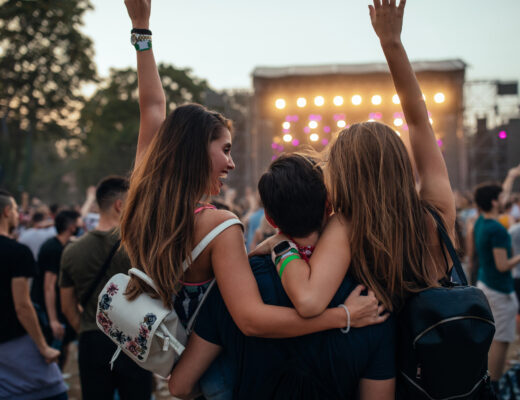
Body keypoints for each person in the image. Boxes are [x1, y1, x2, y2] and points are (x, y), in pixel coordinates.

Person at [169, 153, 395, 399]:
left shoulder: (234, 290)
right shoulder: (368, 300)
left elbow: (181, 385)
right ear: (329, 207)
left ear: (269, 218)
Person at [59, 176, 153, 400]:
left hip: (92, 339)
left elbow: (67, 305)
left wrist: (87, 326)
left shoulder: (72, 251)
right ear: (120, 205)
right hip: (133, 339)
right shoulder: (139, 246)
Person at [0, 189, 68, 400]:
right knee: (54, 392)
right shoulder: (16, 252)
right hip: (16, 341)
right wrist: (43, 347)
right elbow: (22, 305)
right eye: (15, 211)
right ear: (7, 211)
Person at [473, 183, 520, 389]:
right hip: (499, 290)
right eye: (500, 197)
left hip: (486, 283)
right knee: (500, 341)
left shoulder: (480, 222)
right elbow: (503, 265)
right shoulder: (498, 229)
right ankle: (494, 388)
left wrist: (510, 177)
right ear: (494, 201)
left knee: (491, 339)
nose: (504, 200)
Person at [31, 210, 81, 369]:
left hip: (58, 307)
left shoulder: (63, 245)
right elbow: (48, 287)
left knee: (64, 345)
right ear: (72, 227)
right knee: (53, 348)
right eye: (79, 223)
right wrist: (53, 320)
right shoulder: (53, 249)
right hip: (48, 309)